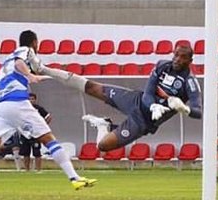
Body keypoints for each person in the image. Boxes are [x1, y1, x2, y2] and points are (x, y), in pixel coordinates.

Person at [0, 30, 95, 190]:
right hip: (17, 103)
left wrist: (0, 111)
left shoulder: (4, 65)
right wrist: (30, 76)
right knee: (49, 140)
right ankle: (74, 177)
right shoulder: (24, 51)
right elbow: (20, 61)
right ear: (34, 42)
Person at [61, 45, 202, 152]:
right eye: (176, 55)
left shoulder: (190, 82)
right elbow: (148, 92)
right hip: (136, 100)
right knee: (93, 88)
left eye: (182, 57)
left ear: (190, 60)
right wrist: (153, 105)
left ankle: (105, 125)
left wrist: (184, 109)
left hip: (143, 122)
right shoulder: (162, 65)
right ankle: (44, 69)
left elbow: (198, 112)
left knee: (103, 146)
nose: (177, 59)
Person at [20, 92, 52, 172]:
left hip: (36, 134)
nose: (31, 101)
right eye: (29, 99)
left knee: (37, 152)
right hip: (25, 133)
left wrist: (43, 126)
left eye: (32, 99)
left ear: (35, 100)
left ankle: (38, 170)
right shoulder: (22, 108)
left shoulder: (38, 109)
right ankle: (27, 170)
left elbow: (48, 116)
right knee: (25, 153)